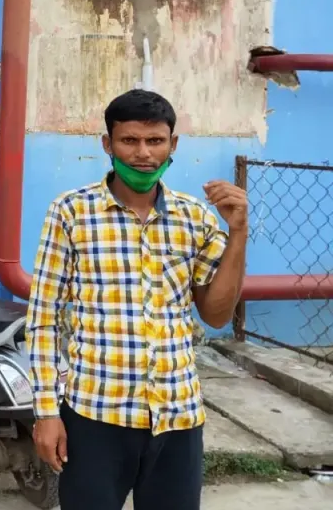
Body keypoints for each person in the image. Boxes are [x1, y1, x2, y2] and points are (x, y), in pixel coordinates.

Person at [26, 89, 248, 510]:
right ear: (107, 144)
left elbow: (217, 314)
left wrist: (238, 233)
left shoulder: (195, 218)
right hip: (96, 415)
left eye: (155, 141)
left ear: (172, 145)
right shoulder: (71, 213)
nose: (143, 154)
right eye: (129, 140)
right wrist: (47, 412)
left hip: (177, 415)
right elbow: (44, 318)